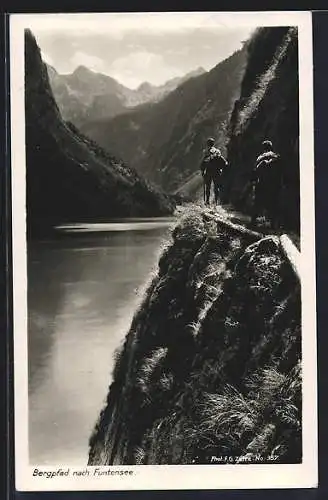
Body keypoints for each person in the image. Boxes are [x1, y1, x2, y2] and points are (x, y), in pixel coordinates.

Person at [251, 140, 282, 228]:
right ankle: (273, 224)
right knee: (273, 203)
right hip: (274, 184)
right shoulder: (276, 157)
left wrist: (253, 181)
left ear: (263, 148)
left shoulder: (261, 157)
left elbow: (255, 170)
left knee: (257, 203)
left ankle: (253, 222)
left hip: (262, 184)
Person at [200, 137, 228, 206]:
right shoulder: (217, 151)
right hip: (217, 171)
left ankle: (207, 201)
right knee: (216, 187)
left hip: (209, 171)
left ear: (207, 144)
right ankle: (216, 201)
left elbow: (203, 162)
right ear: (213, 144)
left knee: (208, 186)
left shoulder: (206, 151)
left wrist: (202, 171)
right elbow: (223, 161)